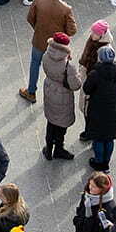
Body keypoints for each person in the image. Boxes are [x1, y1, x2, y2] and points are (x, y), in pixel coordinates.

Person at [38, 31, 83, 161]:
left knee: (51, 121)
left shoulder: (46, 55)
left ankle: (48, 149)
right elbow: (75, 85)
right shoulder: (69, 66)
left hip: (49, 89)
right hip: (63, 96)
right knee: (61, 124)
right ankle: (58, 149)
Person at [82, 44, 116, 172]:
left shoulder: (95, 73)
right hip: (114, 108)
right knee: (109, 137)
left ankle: (99, 162)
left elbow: (86, 89)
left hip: (98, 110)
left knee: (99, 137)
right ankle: (106, 162)